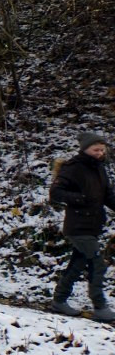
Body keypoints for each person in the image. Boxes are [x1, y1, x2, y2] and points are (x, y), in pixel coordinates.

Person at [50, 132, 115, 321]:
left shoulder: (100, 169)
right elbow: (56, 192)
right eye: (96, 149)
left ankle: (59, 301)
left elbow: (108, 196)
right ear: (85, 149)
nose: (100, 153)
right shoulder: (73, 168)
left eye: (102, 150)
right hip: (77, 226)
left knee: (78, 264)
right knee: (98, 264)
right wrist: (79, 199)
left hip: (93, 226)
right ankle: (100, 307)